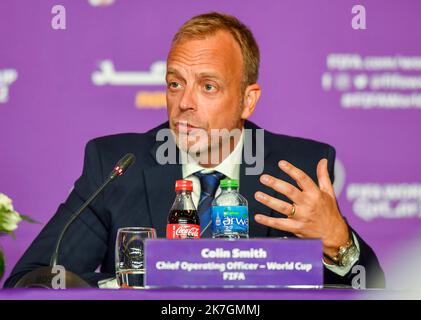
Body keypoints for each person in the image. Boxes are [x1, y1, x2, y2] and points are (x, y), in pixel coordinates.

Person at [4, 12, 384, 288]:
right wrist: (123, 287)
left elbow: (369, 289)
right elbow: (33, 280)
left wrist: (340, 245)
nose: (184, 102)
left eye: (208, 86)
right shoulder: (117, 167)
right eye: (174, 84)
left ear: (247, 101)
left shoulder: (296, 170)